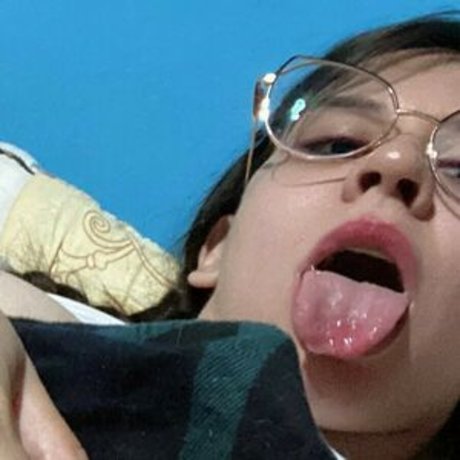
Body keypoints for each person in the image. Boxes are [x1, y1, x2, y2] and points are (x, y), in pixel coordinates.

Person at [1, 11, 460, 460]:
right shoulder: (51, 331)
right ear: (216, 249)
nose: (396, 163)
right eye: (337, 143)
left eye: (459, 171)